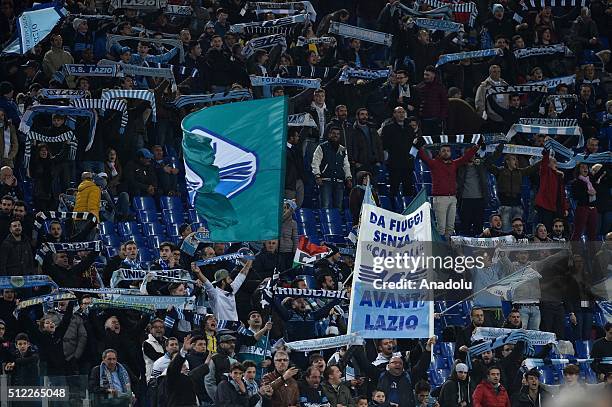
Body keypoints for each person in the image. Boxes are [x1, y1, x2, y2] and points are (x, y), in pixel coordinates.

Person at [417, 143, 479, 238]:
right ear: (439, 153)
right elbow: (423, 157)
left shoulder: (453, 164)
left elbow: (466, 158)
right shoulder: (434, 163)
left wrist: (476, 147)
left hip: (453, 198)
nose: (446, 153)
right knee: (441, 227)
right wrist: (418, 147)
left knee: (450, 227)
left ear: (451, 153)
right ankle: (438, 249)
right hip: (440, 199)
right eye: (443, 151)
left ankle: (447, 248)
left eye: (448, 151)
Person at [381, 106, 416, 208]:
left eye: (403, 112)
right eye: (399, 112)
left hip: (407, 164)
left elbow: (413, 144)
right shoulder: (388, 128)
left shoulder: (409, 129)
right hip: (394, 164)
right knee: (394, 189)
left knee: (408, 189)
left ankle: (408, 209)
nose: (401, 114)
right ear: (394, 114)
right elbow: (384, 145)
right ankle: (393, 209)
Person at [311, 125, 353, 209]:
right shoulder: (322, 147)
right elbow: (315, 162)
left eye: (338, 134)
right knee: (325, 205)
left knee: (338, 206)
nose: (336, 135)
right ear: (329, 134)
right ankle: (325, 222)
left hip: (339, 181)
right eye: (333, 133)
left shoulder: (343, 149)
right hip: (325, 180)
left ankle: (336, 222)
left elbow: (346, 165)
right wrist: (317, 176)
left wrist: (348, 177)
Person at [414, 66, 448, 135]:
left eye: (427, 75)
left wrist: (441, 118)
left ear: (433, 75)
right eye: (424, 74)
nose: (425, 77)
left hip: (436, 121)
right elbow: (416, 103)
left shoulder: (440, 87)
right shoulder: (419, 87)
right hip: (423, 121)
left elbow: (445, 104)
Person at [570, 163, 598, 242]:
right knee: (578, 232)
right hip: (582, 208)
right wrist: (588, 192)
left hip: (593, 208)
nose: (585, 169)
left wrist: (594, 192)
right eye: (582, 167)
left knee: (592, 233)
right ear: (578, 169)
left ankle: (592, 253)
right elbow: (576, 196)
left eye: (586, 167)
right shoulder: (575, 182)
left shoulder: (592, 180)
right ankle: (574, 253)